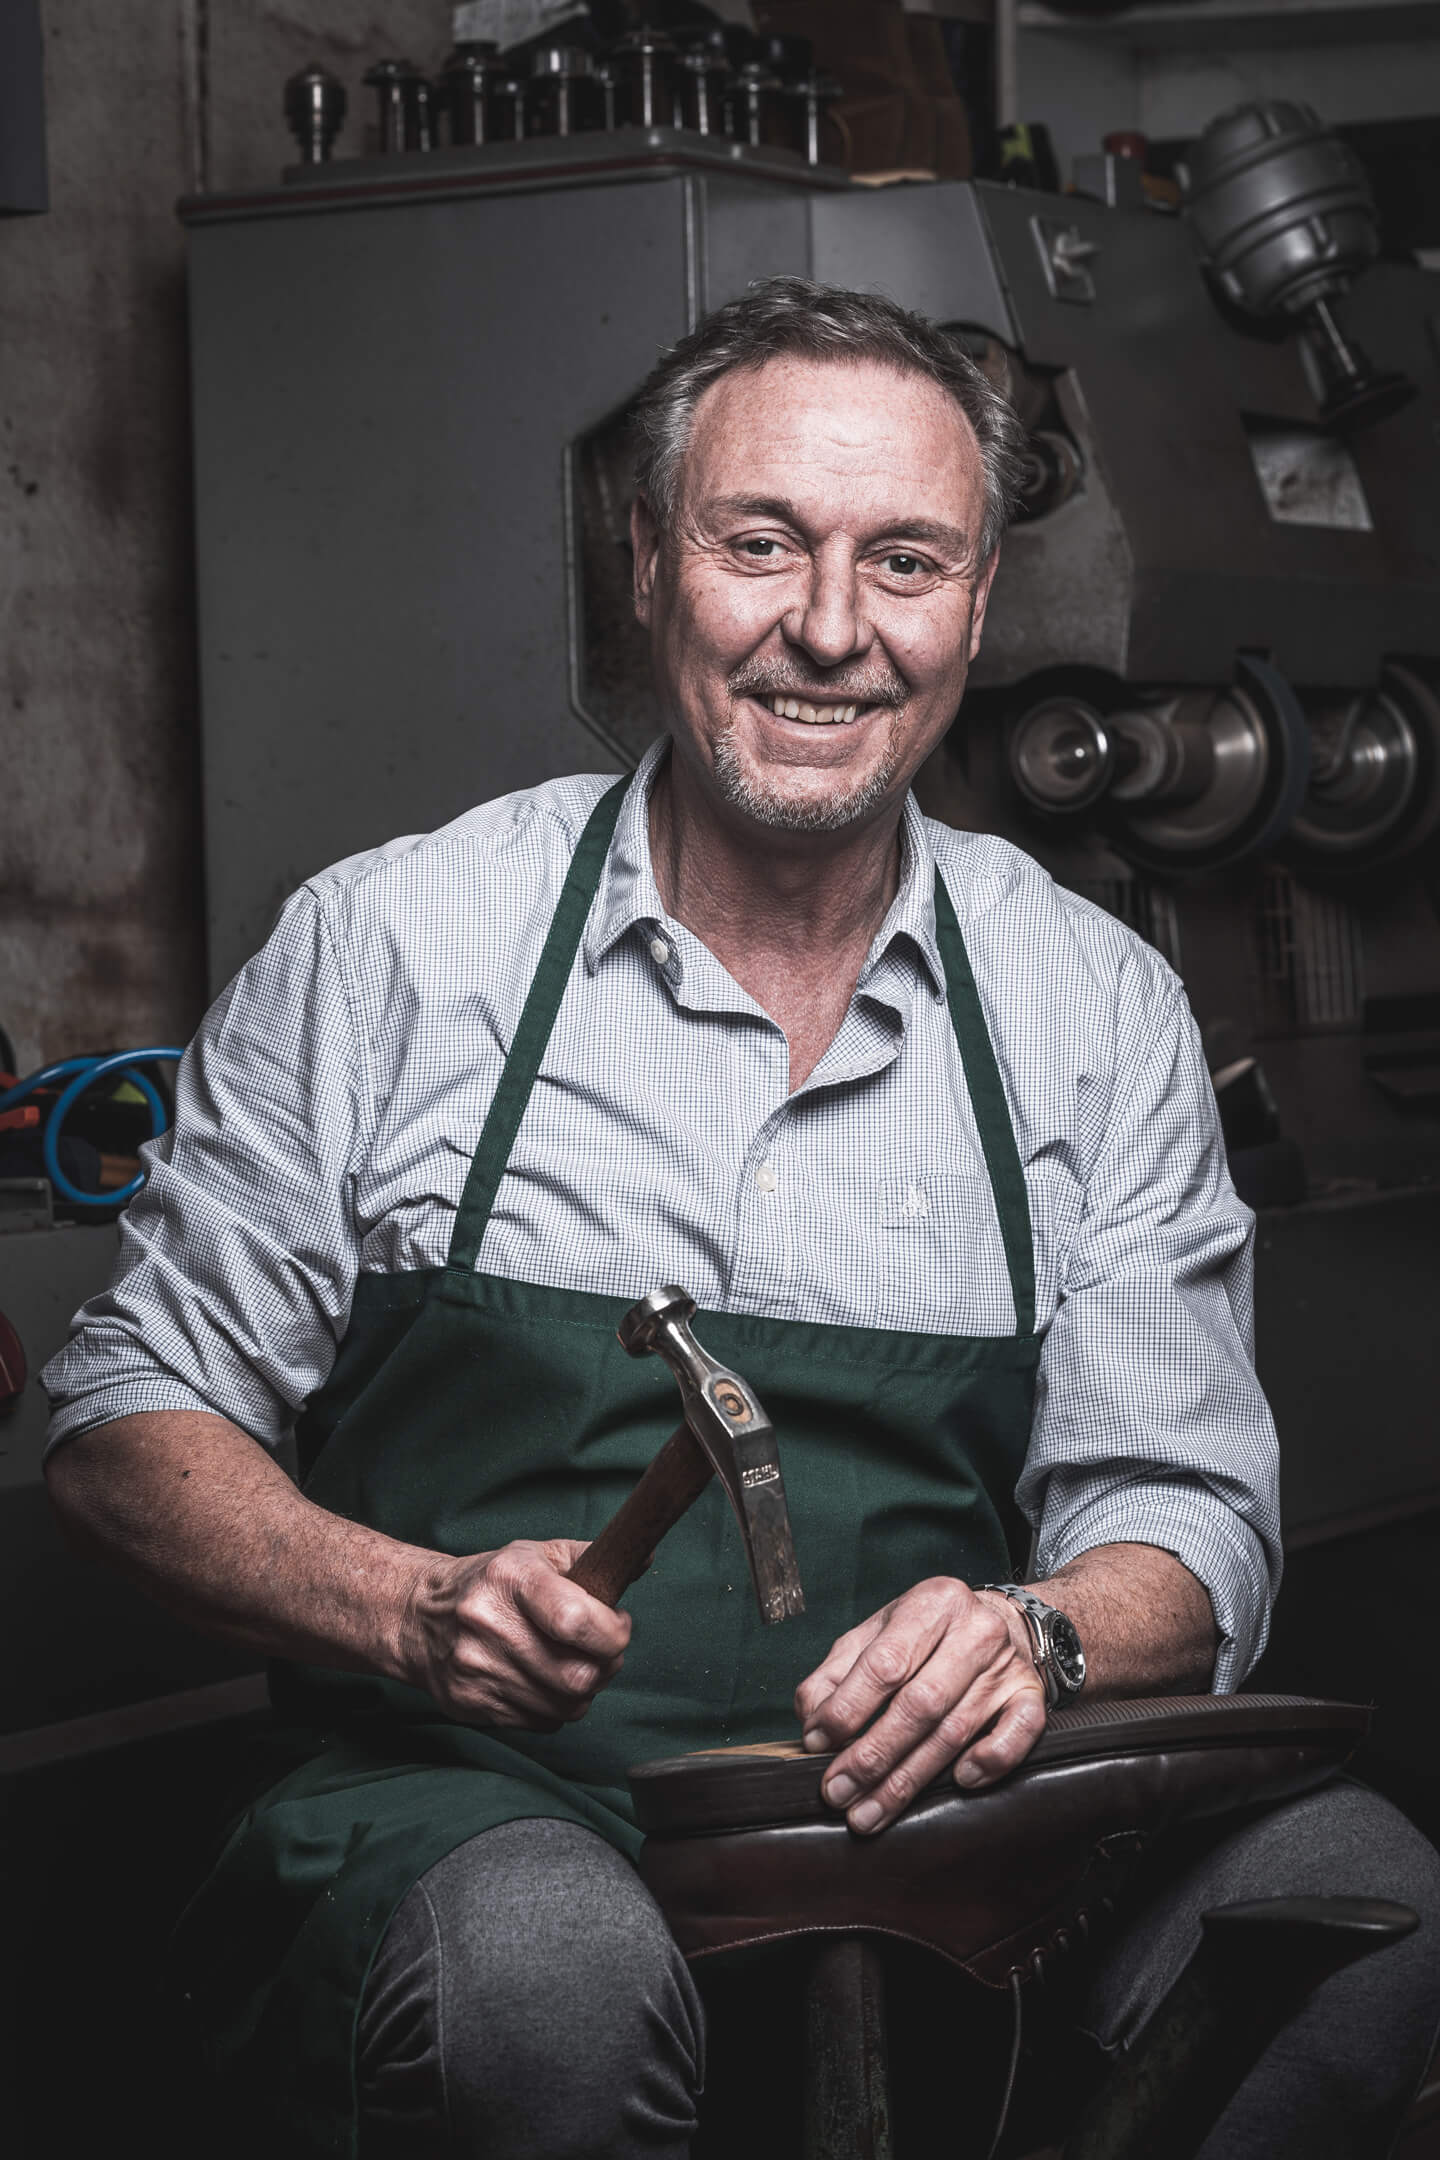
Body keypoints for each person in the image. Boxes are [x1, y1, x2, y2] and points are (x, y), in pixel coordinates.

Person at [43, 278, 1439, 2158]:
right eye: (760, 544)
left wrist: (1040, 1636)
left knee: (1366, 1900)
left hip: (951, 1827)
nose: (831, 631)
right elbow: (124, 1418)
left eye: (906, 562)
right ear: (647, 562)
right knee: (544, 1969)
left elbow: (1184, 1511)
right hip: (480, 1807)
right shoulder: (397, 945)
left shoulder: (1094, 1008)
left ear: (979, 605)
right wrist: (409, 1605)